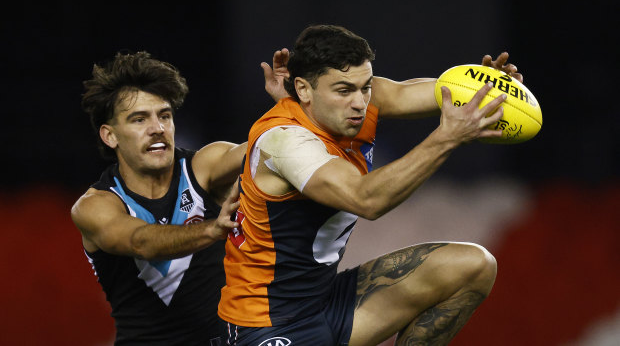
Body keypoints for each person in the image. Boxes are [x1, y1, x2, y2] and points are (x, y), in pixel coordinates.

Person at [219, 24, 524, 345]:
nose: (359, 102)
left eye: (365, 87)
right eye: (344, 90)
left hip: (326, 302)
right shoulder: (285, 141)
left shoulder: (351, 104)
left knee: (473, 266)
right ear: (304, 90)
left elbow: (414, 92)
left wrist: (485, 89)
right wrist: (446, 138)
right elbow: (366, 200)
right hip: (270, 324)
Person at [70, 50, 288, 345]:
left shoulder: (204, 166)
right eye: (139, 119)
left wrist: (290, 107)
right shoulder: (95, 206)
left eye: (165, 116)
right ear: (110, 136)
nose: (157, 128)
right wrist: (211, 229)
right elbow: (141, 242)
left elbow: (266, 147)